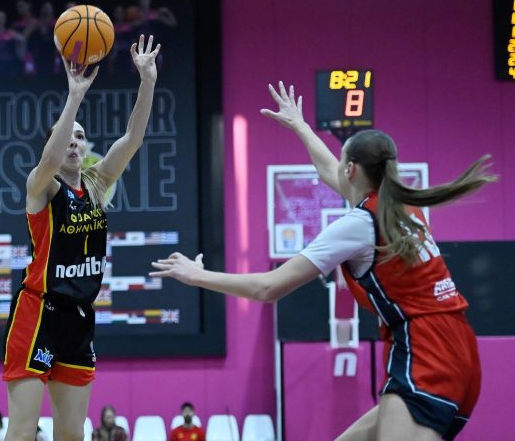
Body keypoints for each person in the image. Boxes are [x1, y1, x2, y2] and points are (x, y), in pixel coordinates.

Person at [151, 82, 495, 441]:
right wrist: (300, 126)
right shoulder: (402, 207)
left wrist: (199, 275)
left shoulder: (359, 224)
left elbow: (269, 288)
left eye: (342, 160)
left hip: (424, 351)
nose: (336, 167)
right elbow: (328, 169)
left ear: (352, 170)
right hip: (459, 349)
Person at [2, 34, 161, 441]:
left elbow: (133, 139)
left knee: (72, 434)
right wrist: (74, 97)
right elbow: (50, 159)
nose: (73, 141)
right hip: (38, 312)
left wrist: (147, 82)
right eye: (66, 135)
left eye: (80, 135)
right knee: (22, 432)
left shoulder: (97, 182)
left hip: (79, 317)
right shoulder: (41, 186)